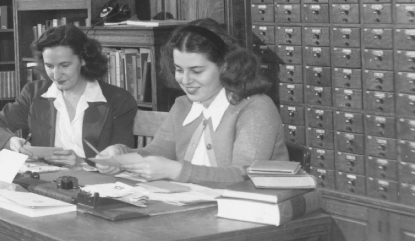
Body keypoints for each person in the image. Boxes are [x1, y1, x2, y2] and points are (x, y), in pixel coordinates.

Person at [97, 18, 287, 184]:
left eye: (196, 71)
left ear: (225, 66)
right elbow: (159, 151)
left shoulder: (256, 108)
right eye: (179, 69)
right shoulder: (182, 105)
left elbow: (243, 175)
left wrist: (175, 170)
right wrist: (122, 156)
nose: (185, 80)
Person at [0, 24, 137, 167]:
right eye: (49, 66)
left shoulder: (118, 100)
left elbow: (120, 160)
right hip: (48, 182)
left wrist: (81, 163)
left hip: (99, 185)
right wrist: (10, 140)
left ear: (83, 60)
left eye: (64, 65)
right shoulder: (34, 93)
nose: (56, 75)